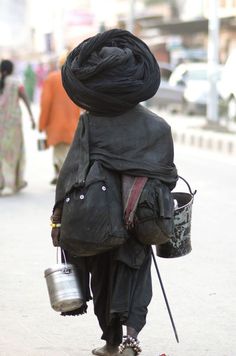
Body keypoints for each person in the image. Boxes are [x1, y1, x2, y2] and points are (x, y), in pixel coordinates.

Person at [50, 29, 178, 355]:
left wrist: (58, 215)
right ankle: (131, 339)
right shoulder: (158, 126)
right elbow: (168, 177)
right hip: (141, 215)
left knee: (103, 277)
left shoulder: (91, 122)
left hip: (99, 216)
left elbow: (72, 172)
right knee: (135, 272)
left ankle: (111, 342)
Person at [38, 53, 81, 185]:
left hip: (56, 124)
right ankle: (63, 174)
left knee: (60, 152)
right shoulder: (76, 79)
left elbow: (45, 103)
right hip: (74, 123)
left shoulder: (51, 79)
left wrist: (42, 124)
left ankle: (63, 176)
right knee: (69, 151)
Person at [0, 59, 36, 196]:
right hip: (13, 125)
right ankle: (15, 182)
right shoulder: (16, 83)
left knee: (2, 153)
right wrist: (32, 117)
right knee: (15, 153)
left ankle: (2, 183)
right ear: (11, 69)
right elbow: (26, 99)